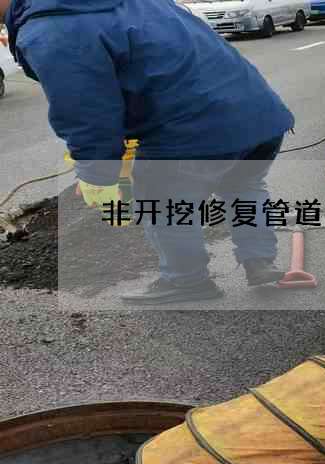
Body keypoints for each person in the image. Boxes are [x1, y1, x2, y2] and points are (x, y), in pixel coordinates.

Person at [1, 0, 294, 305]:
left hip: (194, 128)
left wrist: (96, 176)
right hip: (259, 113)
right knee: (243, 186)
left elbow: (86, 111)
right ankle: (260, 262)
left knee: (162, 199)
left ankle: (186, 281)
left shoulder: (52, 28)